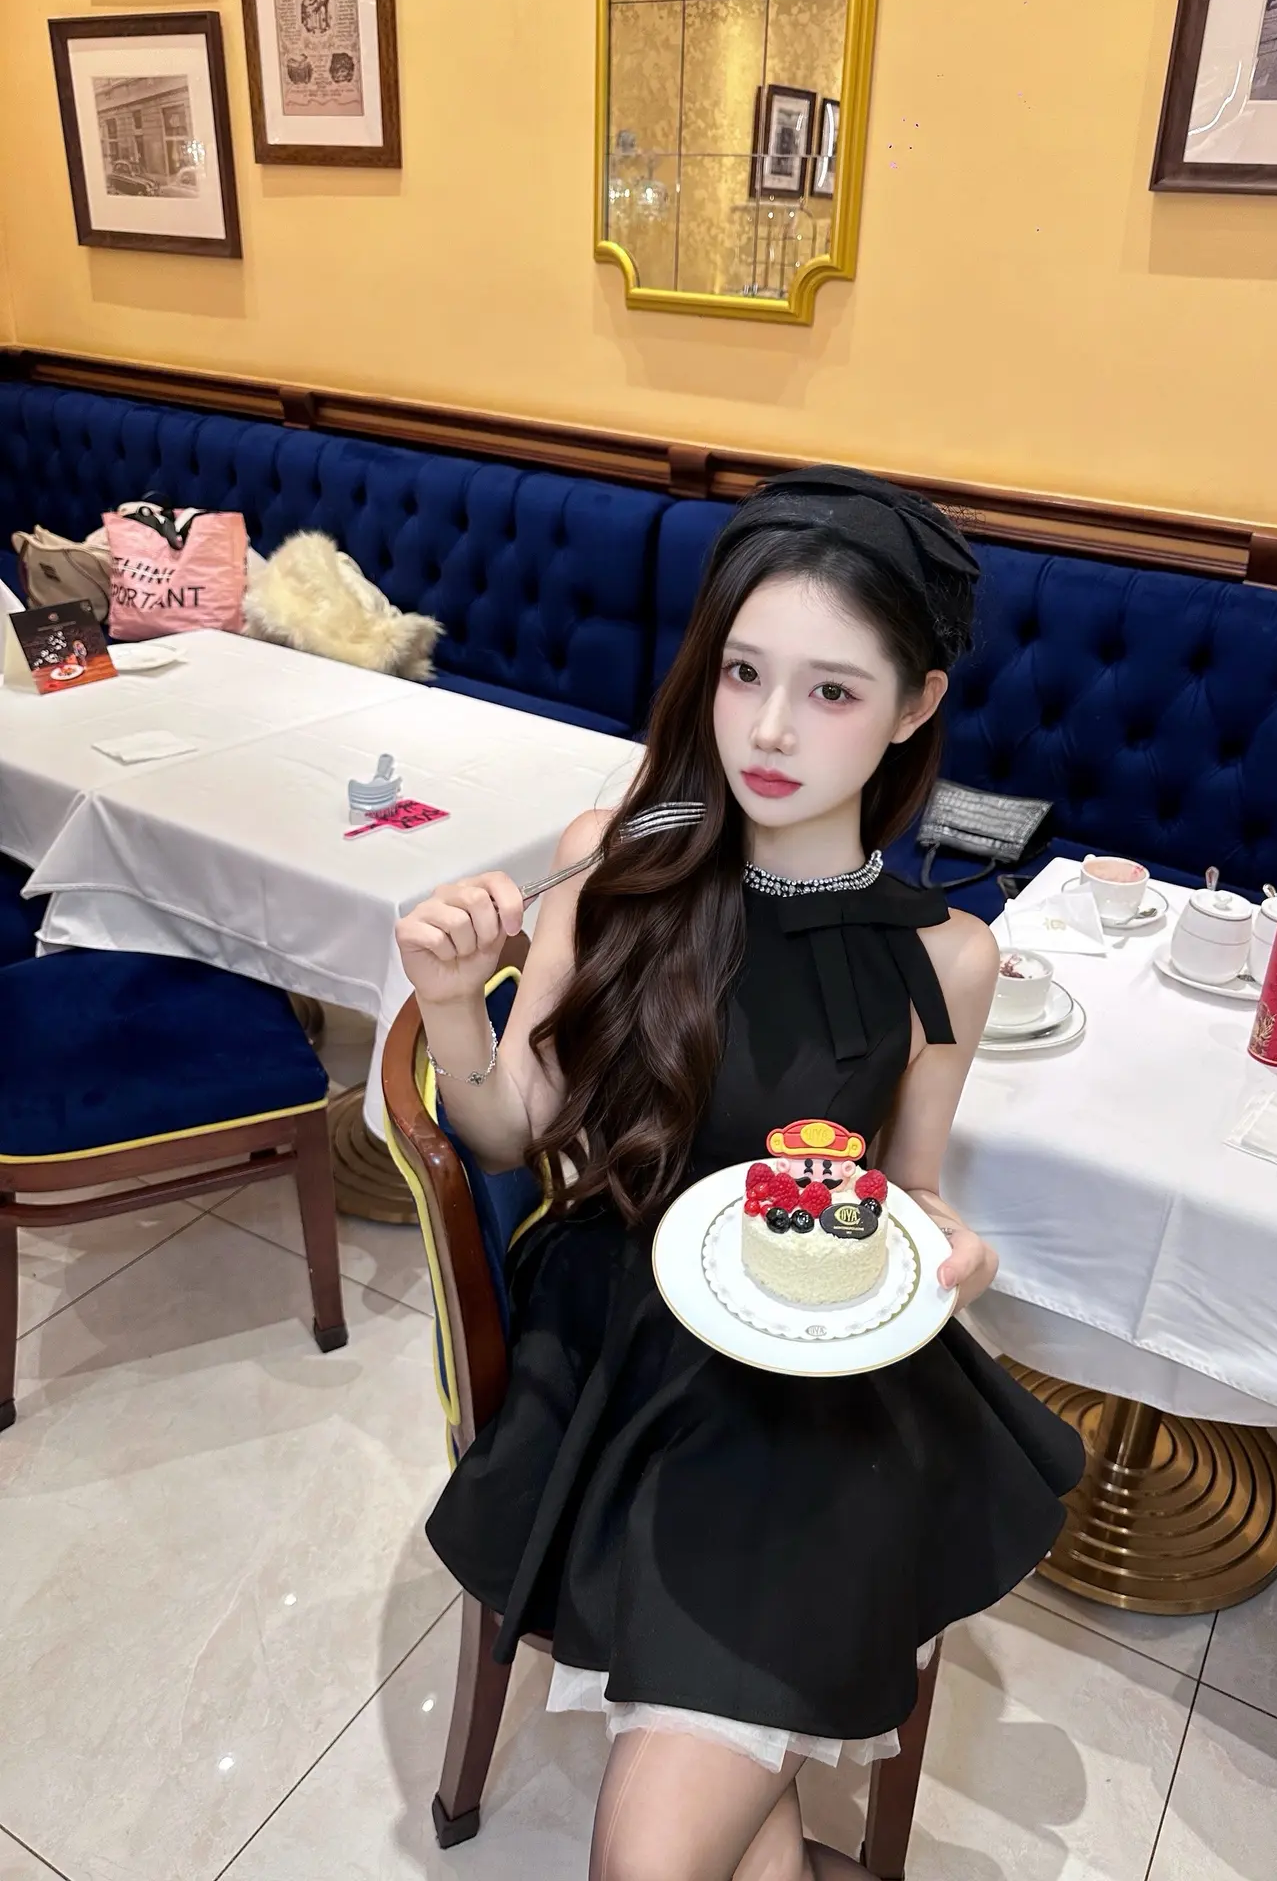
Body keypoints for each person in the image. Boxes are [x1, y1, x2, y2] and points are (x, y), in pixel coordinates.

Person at [397, 467, 1086, 1881]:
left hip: (810, 1370)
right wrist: (456, 1006)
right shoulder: (610, 866)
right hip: (611, 1340)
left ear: (914, 707)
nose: (769, 730)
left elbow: (913, 1193)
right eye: (743, 672)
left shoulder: (948, 958)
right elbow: (513, 1132)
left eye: (832, 691)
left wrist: (962, 1252)